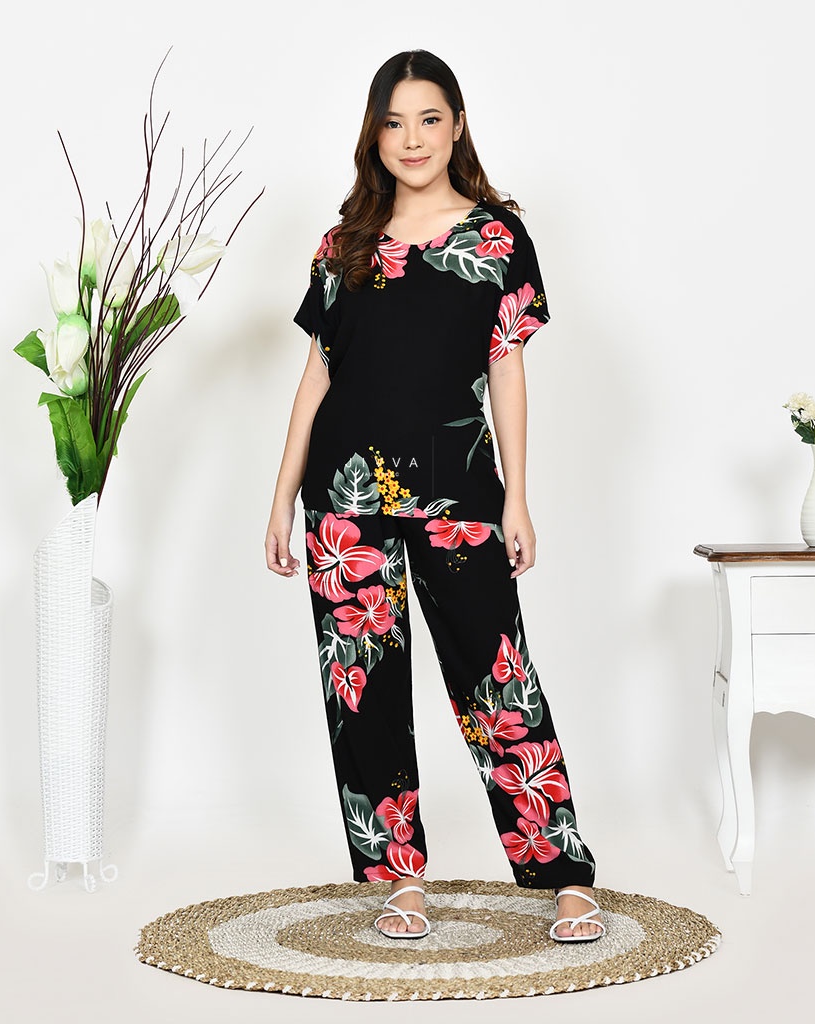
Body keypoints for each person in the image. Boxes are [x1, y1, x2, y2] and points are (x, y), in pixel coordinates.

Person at [265, 50, 603, 943]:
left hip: (460, 494)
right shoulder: (344, 244)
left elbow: (507, 371)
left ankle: (563, 872)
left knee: (497, 675)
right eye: (393, 121)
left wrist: (517, 499)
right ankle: (398, 879)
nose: (411, 139)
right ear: (374, 134)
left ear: (456, 126)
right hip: (343, 502)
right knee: (365, 694)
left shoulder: (497, 238)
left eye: (428, 119)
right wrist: (280, 499)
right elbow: (315, 379)